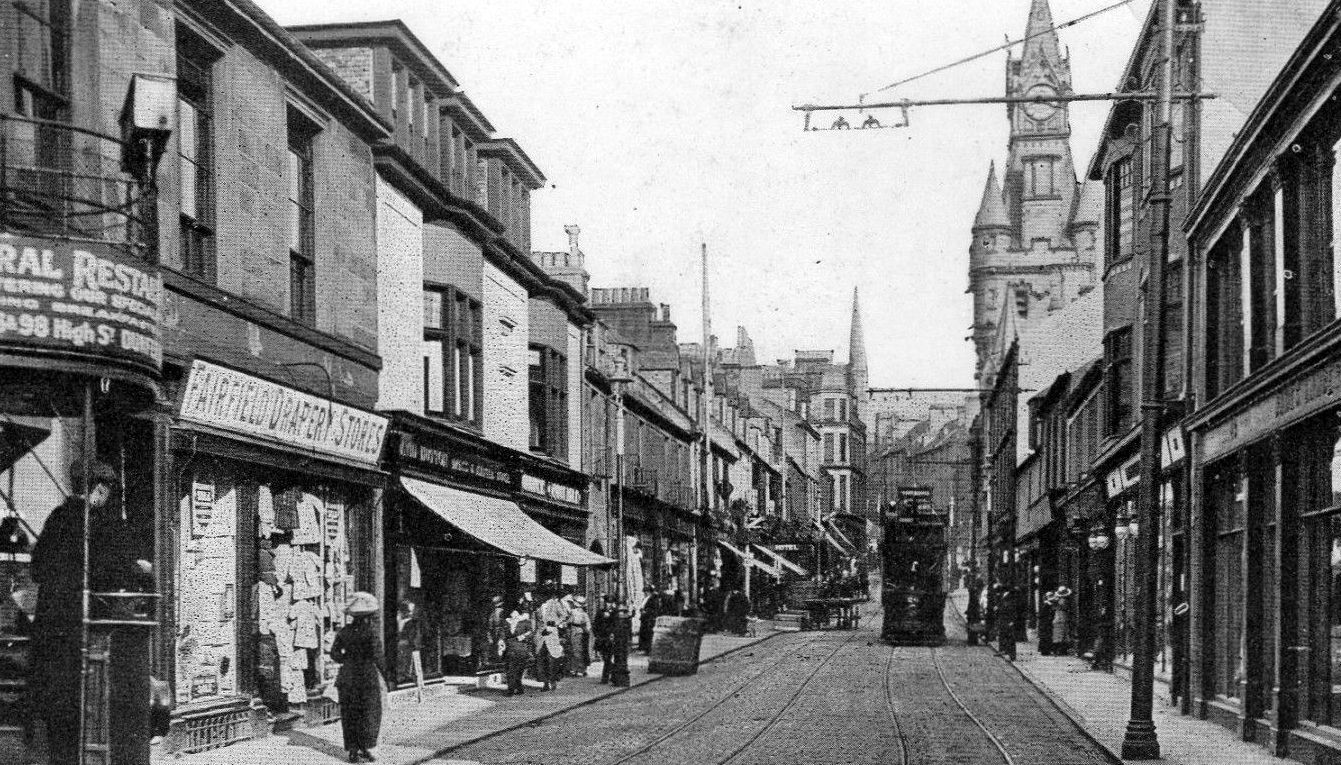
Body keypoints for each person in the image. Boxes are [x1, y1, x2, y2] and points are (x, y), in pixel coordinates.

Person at [32, 460, 151, 765]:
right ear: (99, 489)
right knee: (87, 707)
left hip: (49, 632)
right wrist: (138, 570)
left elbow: (37, 569)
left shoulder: (56, 518)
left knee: (59, 714)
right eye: (108, 491)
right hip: (82, 631)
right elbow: (112, 572)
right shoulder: (97, 524)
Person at [331, 592, 384, 763]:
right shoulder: (371, 633)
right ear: (368, 616)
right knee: (369, 713)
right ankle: (365, 747)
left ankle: (353, 751)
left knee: (350, 714)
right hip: (366, 677)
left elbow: (334, 653)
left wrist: (346, 659)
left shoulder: (344, 632)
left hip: (347, 677)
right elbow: (378, 656)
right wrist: (387, 675)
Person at [504, 603, 534, 696]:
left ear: (518, 613)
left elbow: (531, 632)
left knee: (519, 669)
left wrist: (523, 636)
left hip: (521, 648)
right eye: (511, 612)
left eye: (514, 612)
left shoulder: (525, 622)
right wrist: (501, 640)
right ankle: (511, 689)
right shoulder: (507, 622)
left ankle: (518, 688)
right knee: (510, 669)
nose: (512, 614)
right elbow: (503, 633)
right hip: (510, 647)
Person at [593, 595, 617, 683]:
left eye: (611, 603)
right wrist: (596, 634)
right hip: (601, 638)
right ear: (605, 603)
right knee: (604, 657)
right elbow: (595, 624)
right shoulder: (600, 612)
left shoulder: (615, 612)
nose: (609, 605)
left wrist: (613, 634)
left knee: (608, 658)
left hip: (610, 638)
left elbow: (616, 625)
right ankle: (615, 672)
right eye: (608, 603)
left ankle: (605, 678)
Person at [567, 596, 592, 677]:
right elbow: (588, 626)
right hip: (578, 632)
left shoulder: (576, 613)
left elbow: (569, 621)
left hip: (577, 633)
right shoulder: (582, 613)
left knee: (577, 651)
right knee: (578, 651)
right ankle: (578, 669)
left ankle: (577, 669)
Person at [537, 620, 565, 690]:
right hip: (552, 651)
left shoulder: (549, 630)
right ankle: (551, 683)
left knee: (545, 667)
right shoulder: (556, 630)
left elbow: (542, 634)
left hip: (547, 650)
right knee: (551, 668)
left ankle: (547, 684)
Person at [996, 585, 1018, 662]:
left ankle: (1011, 655)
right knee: (1004, 636)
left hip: (1009, 621)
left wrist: (1012, 621)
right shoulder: (1004, 597)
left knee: (1010, 638)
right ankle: (1005, 651)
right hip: (1004, 621)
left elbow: (1014, 612)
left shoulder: (1010, 598)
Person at [485, 595, 508, 666]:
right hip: (500, 630)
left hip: (495, 630)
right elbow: (502, 622)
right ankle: (500, 659)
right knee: (501, 645)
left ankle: (497, 659)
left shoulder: (493, 612)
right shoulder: (501, 611)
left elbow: (490, 623)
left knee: (497, 645)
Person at [1051, 586, 1073, 656]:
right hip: (1062, 618)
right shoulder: (1064, 601)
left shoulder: (1057, 601)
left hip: (1057, 618)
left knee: (1057, 635)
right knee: (1062, 635)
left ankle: (1056, 650)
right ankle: (1061, 651)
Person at [637, 586, 658, 653]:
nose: (645, 593)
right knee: (643, 633)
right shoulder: (645, 598)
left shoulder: (652, 599)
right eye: (645, 592)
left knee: (647, 634)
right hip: (644, 618)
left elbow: (653, 608)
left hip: (649, 619)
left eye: (646, 592)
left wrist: (646, 612)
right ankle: (643, 648)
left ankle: (647, 649)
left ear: (649, 592)